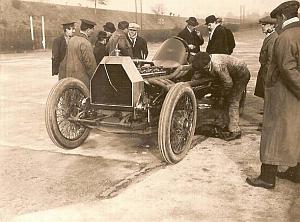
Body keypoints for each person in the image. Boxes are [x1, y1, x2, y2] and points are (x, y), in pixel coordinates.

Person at [246, 0, 300, 189]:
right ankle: (295, 172)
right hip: (294, 98)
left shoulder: (284, 37)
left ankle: (267, 178)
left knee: (272, 134)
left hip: (283, 95)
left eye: (276, 19)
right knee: (295, 132)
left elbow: (287, 68)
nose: (275, 24)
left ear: (282, 17)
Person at [192, 52, 250, 141]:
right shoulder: (206, 61)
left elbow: (228, 83)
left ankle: (235, 131)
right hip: (230, 73)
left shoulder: (218, 66)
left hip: (241, 75)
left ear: (207, 65)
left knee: (232, 100)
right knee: (224, 100)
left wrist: (222, 96)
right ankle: (225, 124)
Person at [65, 19, 97, 89]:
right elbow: (90, 64)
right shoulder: (85, 43)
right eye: (93, 29)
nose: (93, 31)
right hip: (82, 80)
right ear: (88, 30)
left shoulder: (72, 40)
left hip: (70, 77)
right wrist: (95, 77)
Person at [254, 16, 278, 99]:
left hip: (267, 70)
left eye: (264, 24)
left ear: (272, 25)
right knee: (265, 91)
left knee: (268, 91)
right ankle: (266, 109)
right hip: (264, 69)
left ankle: (269, 110)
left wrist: (268, 73)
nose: (262, 26)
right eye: (261, 24)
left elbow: (271, 58)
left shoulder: (273, 38)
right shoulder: (269, 36)